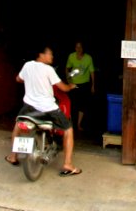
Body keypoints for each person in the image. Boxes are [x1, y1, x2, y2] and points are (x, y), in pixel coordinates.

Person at [5, 45, 81, 175]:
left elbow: (18, 79)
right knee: (68, 129)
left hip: (29, 108)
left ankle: (13, 156)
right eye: (49, 54)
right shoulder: (48, 70)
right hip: (48, 109)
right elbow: (63, 88)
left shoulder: (27, 65)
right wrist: (71, 86)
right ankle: (68, 164)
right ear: (41, 55)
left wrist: (30, 79)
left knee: (18, 126)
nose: (52, 56)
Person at [65, 41, 96, 132]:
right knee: (73, 104)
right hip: (73, 84)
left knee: (82, 105)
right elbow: (67, 68)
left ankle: (78, 124)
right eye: (77, 47)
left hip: (84, 84)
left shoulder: (88, 58)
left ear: (83, 49)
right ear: (75, 48)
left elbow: (92, 72)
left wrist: (93, 85)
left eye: (80, 47)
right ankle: (70, 124)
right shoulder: (71, 56)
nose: (78, 49)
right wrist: (68, 80)